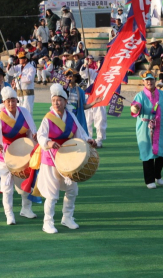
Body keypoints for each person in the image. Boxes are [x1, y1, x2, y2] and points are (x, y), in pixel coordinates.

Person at [36, 84, 96, 234]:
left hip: (69, 159)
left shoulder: (71, 116)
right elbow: (40, 136)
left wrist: (88, 140)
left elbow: (80, 133)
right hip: (51, 158)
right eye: (54, 100)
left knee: (72, 190)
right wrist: (48, 142)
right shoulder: (48, 118)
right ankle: (47, 222)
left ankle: (67, 217)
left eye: (59, 100)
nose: (56, 103)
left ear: (65, 101)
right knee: (52, 193)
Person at [0, 86, 37, 225]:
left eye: (13, 100)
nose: (11, 104)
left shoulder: (25, 112)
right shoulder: (0, 117)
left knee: (27, 180)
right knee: (7, 184)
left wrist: (33, 136)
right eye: (8, 101)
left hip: (23, 150)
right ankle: (9, 214)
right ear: (4, 103)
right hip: (6, 153)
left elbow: (31, 130)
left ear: (17, 100)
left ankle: (26, 208)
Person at [130, 71, 163, 189]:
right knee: (147, 154)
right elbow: (134, 110)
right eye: (147, 79)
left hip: (161, 127)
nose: (149, 81)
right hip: (145, 128)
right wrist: (135, 108)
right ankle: (149, 180)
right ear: (143, 82)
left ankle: (158, 175)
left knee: (162, 153)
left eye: (151, 79)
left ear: (155, 81)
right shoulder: (140, 96)